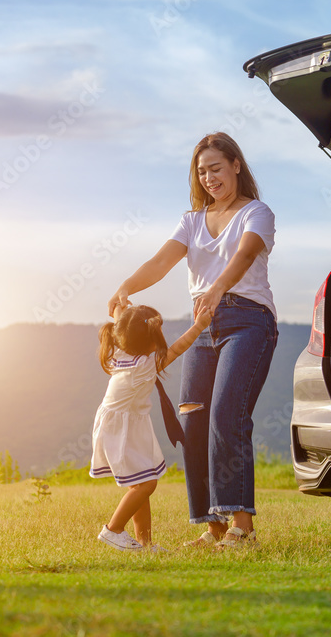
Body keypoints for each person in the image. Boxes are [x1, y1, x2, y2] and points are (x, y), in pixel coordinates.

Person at [108, 132, 278, 549]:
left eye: (216, 168)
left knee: (226, 414)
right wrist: (125, 287)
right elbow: (161, 261)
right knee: (193, 422)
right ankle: (213, 527)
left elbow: (243, 256)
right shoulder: (191, 221)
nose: (209, 178)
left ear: (236, 165)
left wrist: (218, 288)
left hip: (248, 320)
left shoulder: (257, 212)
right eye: (201, 172)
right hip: (204, 326)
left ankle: (243, 528)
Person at [91, 302, 212, 552]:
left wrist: (121, 305)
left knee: (142, 480)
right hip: (122, 429)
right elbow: (178, 348)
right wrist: (200, 325)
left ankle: (144, 544)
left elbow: (120, 325)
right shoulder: (143, 366)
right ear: (151, 339)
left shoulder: (118, 349)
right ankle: (113, 530)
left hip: (120, 424)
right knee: (147, 484)